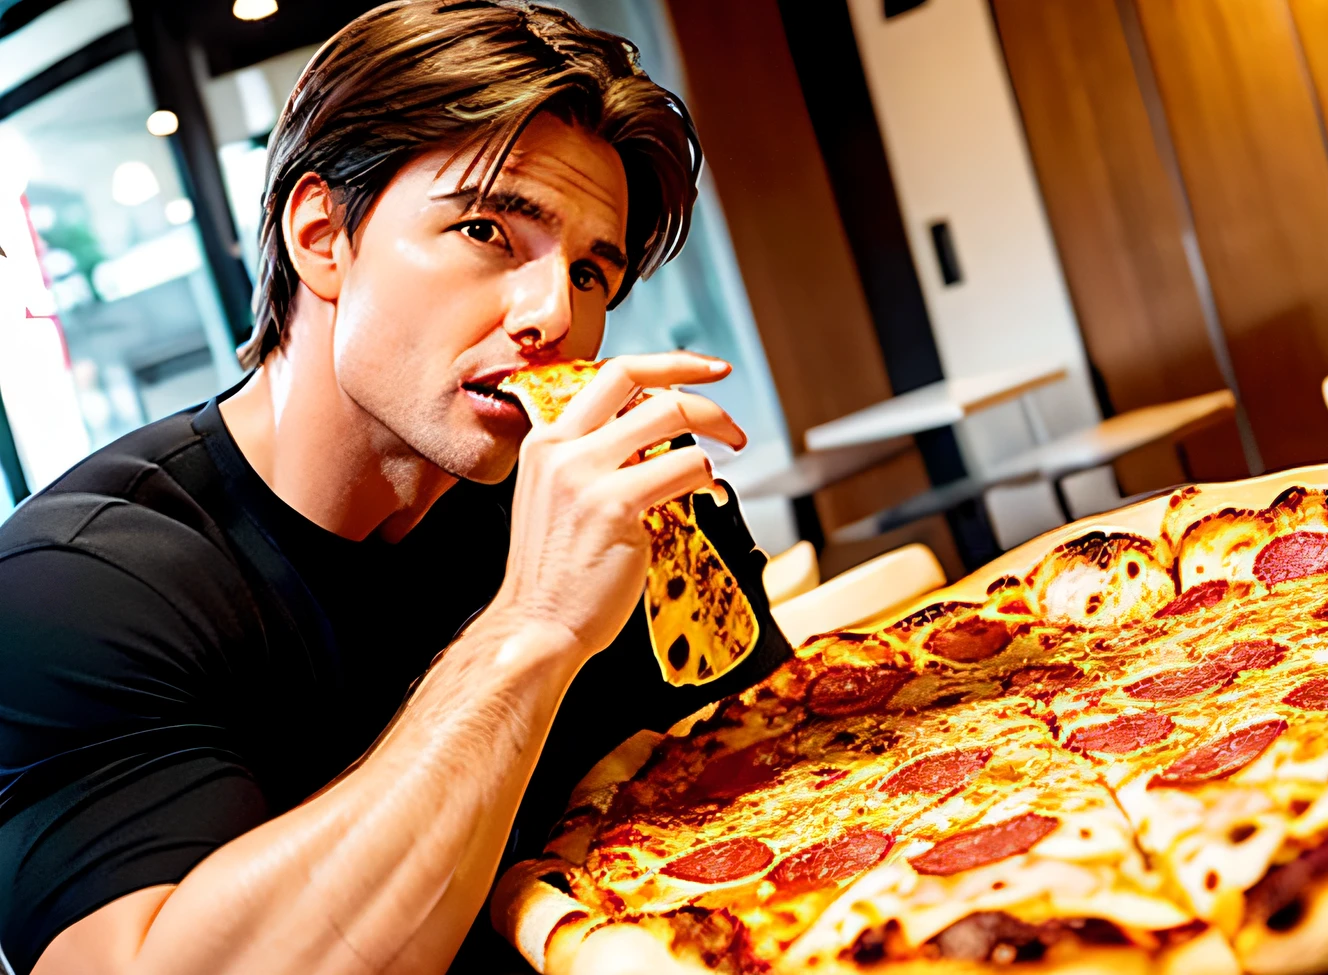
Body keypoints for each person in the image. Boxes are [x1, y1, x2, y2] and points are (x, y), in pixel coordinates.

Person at [0, 3, 789, 972]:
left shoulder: (624, 497)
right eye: (487, 230)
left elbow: (785, 792)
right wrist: (530, 627)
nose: (555, 316)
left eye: (590, 273)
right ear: (322, 234)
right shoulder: (75, 587)